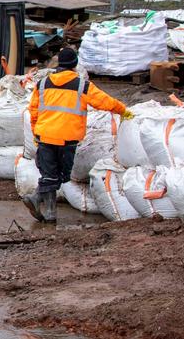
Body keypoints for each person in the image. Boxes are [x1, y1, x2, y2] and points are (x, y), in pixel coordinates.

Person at [24, 46, 133, 223]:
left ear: (59, 65)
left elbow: (33, 110)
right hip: (67, 139)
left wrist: (36, 133)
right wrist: (123, 111)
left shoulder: (42, 84)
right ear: (74, 65)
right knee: (62, 176)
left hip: (45, 136)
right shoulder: (82, 85)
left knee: (49, 174)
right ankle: (37, 199)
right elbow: (104, 102)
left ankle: (49, 211)